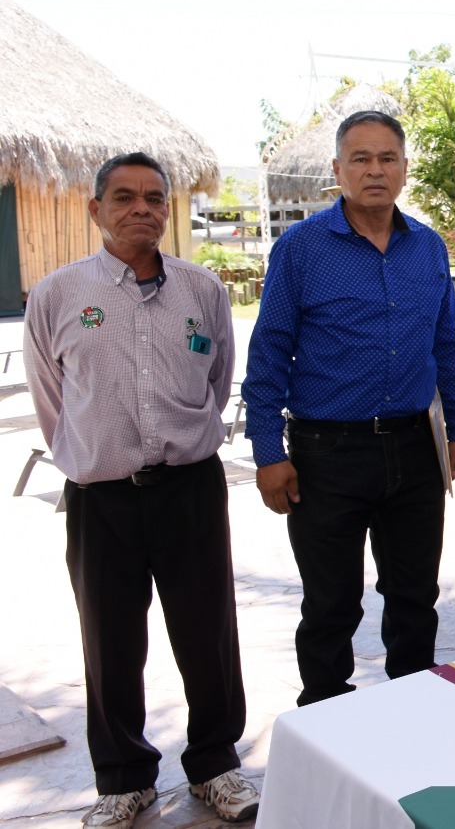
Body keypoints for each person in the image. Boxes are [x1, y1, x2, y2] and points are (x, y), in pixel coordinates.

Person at [23, 153, 258, 827]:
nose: (142, 209)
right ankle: (124, 778)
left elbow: (216, 383)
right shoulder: (58, 294)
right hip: (103, 497)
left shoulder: (203, 290)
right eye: (124, 197)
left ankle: (215, 764)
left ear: (168, 210)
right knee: (110, 637)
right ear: (96, 209)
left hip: (189, 488)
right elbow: (53, 399)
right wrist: (91, 451)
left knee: (207, 631)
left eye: (155, 198)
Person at [243, 110, 455, 706]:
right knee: (330, 603)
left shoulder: (426, 248)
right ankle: (325, 723)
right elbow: (268, 353)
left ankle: (411, 711)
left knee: (415, 597)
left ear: (403, 168)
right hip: (328, 455)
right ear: (339, 169)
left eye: (387, 158)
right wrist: (268, 453)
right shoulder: (301, 249)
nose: (375, 170)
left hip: (416, 449)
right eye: (361, 159)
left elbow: (448, 345)